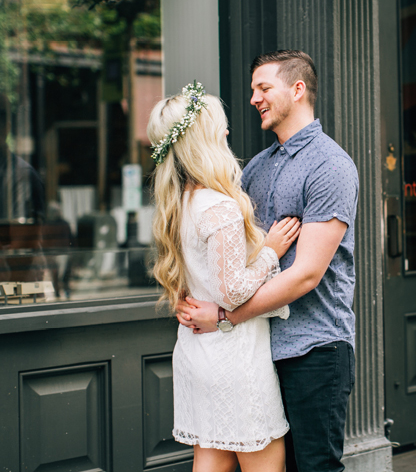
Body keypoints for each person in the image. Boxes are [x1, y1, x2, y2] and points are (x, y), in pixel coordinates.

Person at [176, 50, 359, 472]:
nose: (254, 98)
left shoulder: (330, 165)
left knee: (314, 467)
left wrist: (223, 316)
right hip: (256, 352)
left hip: (314, 348)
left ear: (297, 90)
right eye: (252, 89)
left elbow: (307, 274)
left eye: (263, 88)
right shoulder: (255, 168)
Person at [147, 81, 301, 472]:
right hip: (236, 361)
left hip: (198, 354)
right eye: (220, 126)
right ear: (203, 140)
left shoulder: (179, 205)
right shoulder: (219, 208)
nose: (228, 132)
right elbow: (232, 291)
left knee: (210, 459)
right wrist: (271, 252)